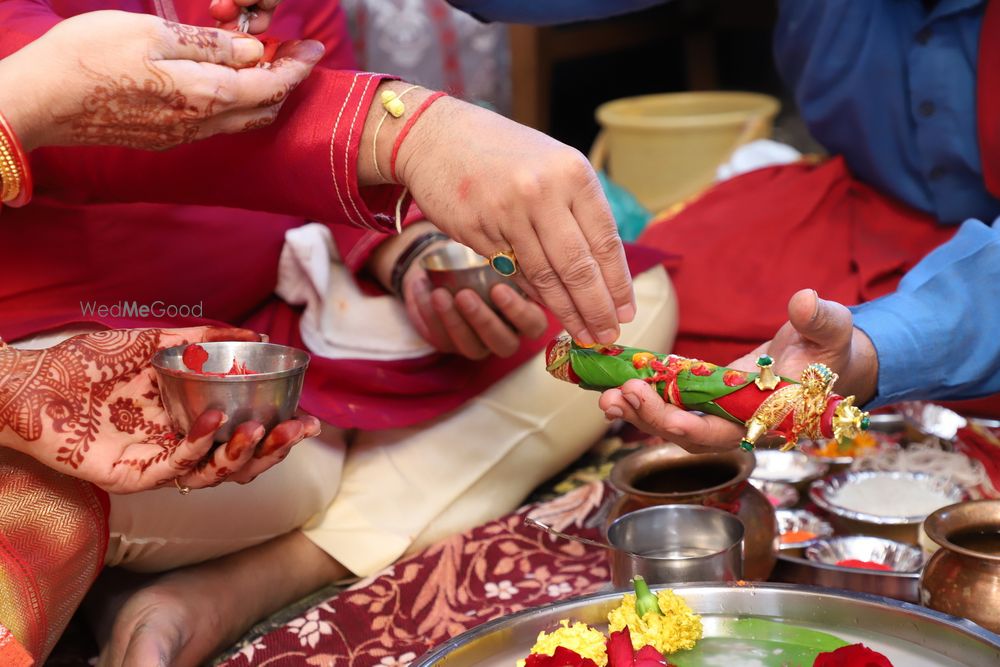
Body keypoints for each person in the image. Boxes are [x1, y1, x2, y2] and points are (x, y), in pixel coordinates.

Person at [0, 2, 663, 665]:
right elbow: (65, 96)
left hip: (265, 333)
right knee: (53, 485)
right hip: (55, 349)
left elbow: (318, 151)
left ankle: (235, 585)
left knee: (631, 306)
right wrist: (411, 132)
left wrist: (409, 249)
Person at [436, 0, 1000, 448]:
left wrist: (870, 352)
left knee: (710, 339)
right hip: (857, 199)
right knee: (658, 281)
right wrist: (424, 135)